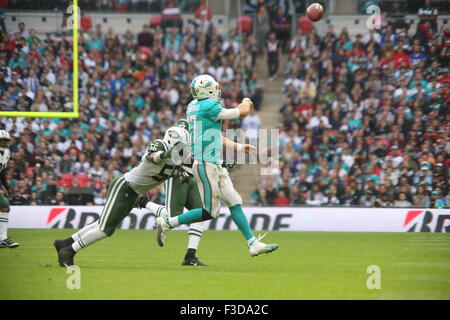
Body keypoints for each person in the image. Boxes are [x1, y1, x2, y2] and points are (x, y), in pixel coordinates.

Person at [155, 74, 279, 257]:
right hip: (206, 164)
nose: (217, 90)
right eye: (214, 87)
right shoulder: (208, 105)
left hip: (214, 164)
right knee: (210, 212)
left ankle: (253, 243)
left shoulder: (193, 106)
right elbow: (242, 111)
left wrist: (238, 146)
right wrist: (247, 99)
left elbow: (214, 135)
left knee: (234, 202)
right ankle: (168, 223)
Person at [53, 126, 191, 267]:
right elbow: (152, 156)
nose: (182, 149)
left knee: (103, 223)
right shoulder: (159, 144)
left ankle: (65, 243)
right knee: (105, 229)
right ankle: (69, 252)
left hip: (134, 192)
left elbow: (182, 171)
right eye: (181, 145)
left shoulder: (178, 159)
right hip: (124, 186)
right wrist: (164, 155)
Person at [135, 119, 208, 266]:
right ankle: (144, 202)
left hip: (192, 179)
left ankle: (190, 256)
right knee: (172, 217)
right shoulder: (173, 141)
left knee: (201, 214)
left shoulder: (195, 138)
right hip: (177, 178)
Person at [0, 130, 19, 248]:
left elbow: (2, 172)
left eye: (7, 140)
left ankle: (2, 239)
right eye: (3, 140)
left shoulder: (6, 152)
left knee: (4, 206)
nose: (5, 143)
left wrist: (6, 187)